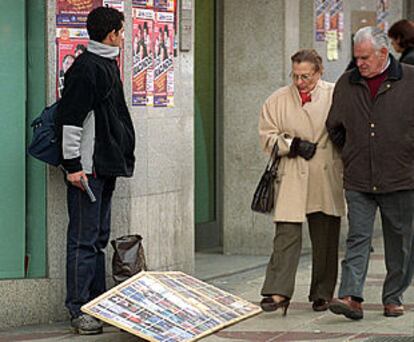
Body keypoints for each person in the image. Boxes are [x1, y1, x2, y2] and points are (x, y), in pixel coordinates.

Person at [55, 7, 135, 335]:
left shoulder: (106, 64)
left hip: (105, 166)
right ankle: (78, 308)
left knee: (98, 238)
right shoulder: (87, 68)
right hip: (88, 170)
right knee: (84, 240)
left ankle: (97, 301)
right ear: (112, 34)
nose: (125, 37)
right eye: (121, 31)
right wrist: (73, 166)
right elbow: (71, 120)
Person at [327, 26, 414, 320]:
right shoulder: (346, 84)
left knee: (400, 242)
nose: (359, 63)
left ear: (382, 53)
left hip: (401, 176)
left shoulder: (410, 80)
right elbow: (334, 127)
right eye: (357, 57)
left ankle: (393, 296)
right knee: (357, 237)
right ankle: (351, 296)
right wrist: (352, 151)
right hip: (359, 178)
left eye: (365, 57)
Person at [258, 49, 345, 315]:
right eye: (295, 76)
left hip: (325, 170)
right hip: (293, 172)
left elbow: (349, 126)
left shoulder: (335, 95)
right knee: (286, 234)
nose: (300, 82)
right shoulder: (277, 99)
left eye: (306, 76)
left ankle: (322, 293)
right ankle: (278, 291)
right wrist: (291, 144)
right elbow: (266, 135)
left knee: (326, 236)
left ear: (319, 72)